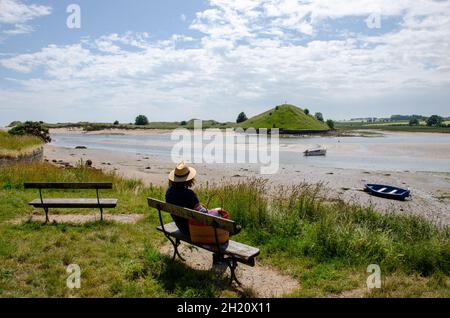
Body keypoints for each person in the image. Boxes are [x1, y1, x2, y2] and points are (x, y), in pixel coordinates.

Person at [165, 161, 206, 235]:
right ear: (189, 179)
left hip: (181, 227)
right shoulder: (189, 194)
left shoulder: (169, 192)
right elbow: (202, 214)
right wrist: (205, 209)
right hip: (193, 230)